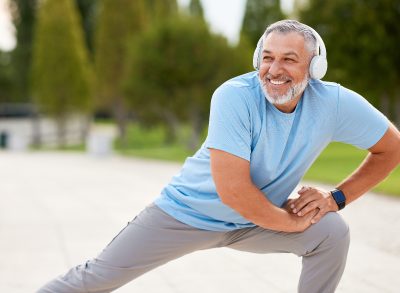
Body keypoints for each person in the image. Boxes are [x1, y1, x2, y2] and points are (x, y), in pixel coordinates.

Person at [38, 19, 400, 293]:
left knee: (331, 232)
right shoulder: (235, 96)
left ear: (314, 68)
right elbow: (233, 192)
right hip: (187, 213)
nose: (275, 70)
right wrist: (288, 222)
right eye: (268, 58)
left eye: (290, 59)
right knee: (96, 277)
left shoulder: (333, 103)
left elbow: (391, 147)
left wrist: (335, 198)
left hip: (256, 220)